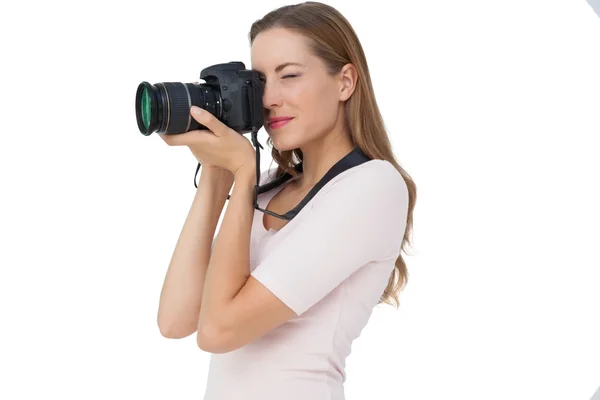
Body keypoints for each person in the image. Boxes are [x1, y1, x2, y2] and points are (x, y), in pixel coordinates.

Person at [157, 2, 417, 399]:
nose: (270, 99)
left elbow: (218, 331)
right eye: (261, 82)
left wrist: (242, 174)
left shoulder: (373, 187)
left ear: (345, 82)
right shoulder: (267, 188)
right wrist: (216, 174)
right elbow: (175, 320)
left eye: (290, 76)